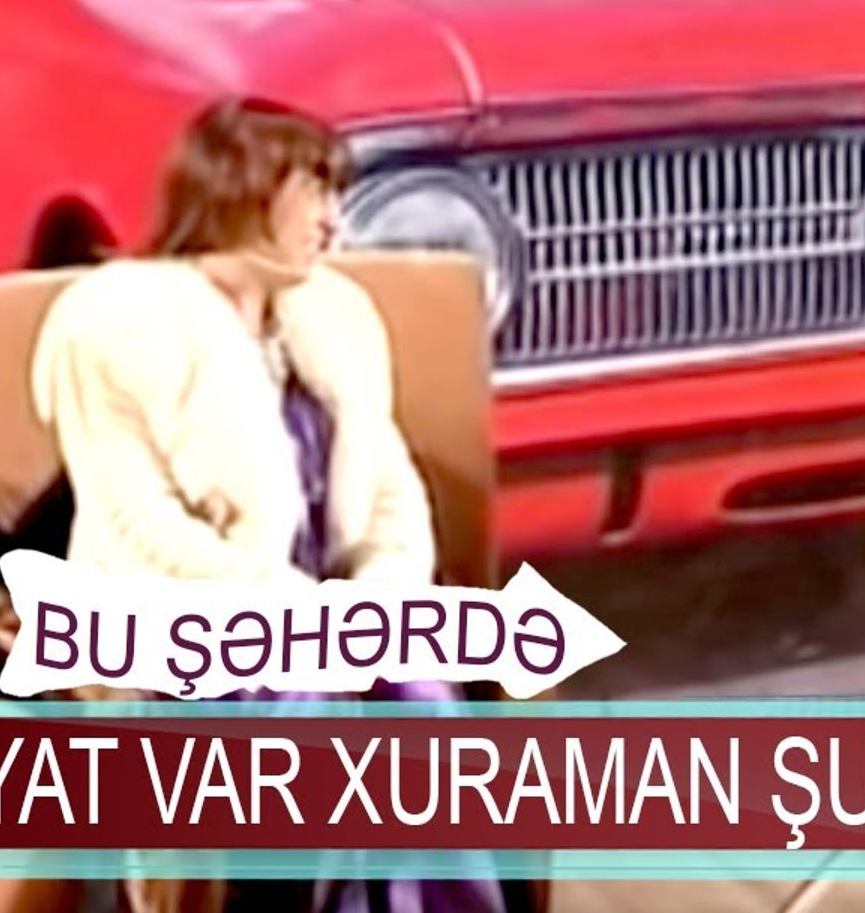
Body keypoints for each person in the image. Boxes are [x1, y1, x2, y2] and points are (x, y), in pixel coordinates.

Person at [28, 96, 507, 913]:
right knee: (308, 700)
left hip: (328, 618)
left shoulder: (333, 323)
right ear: (244, 191)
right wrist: (285, 610)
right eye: (313, 191)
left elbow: (392, 491)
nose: (332, 220)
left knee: (418, 690)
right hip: (183, 630)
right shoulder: (117, 326)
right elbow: (137, 524)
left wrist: (376, 596)